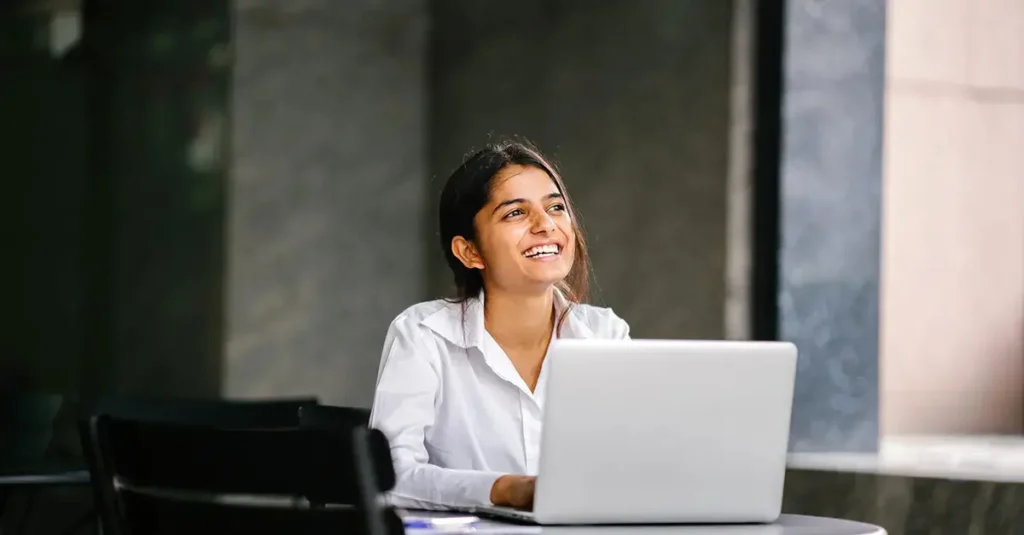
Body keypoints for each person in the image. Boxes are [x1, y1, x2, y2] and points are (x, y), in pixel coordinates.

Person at [368, 139, 630, 511]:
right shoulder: (423, 335)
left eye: (555, 207)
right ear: (469, 251)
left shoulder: (606, 335)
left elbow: (631, 464)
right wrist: (506, 490)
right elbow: (389, 477)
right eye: (515, 214)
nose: (546, 225)